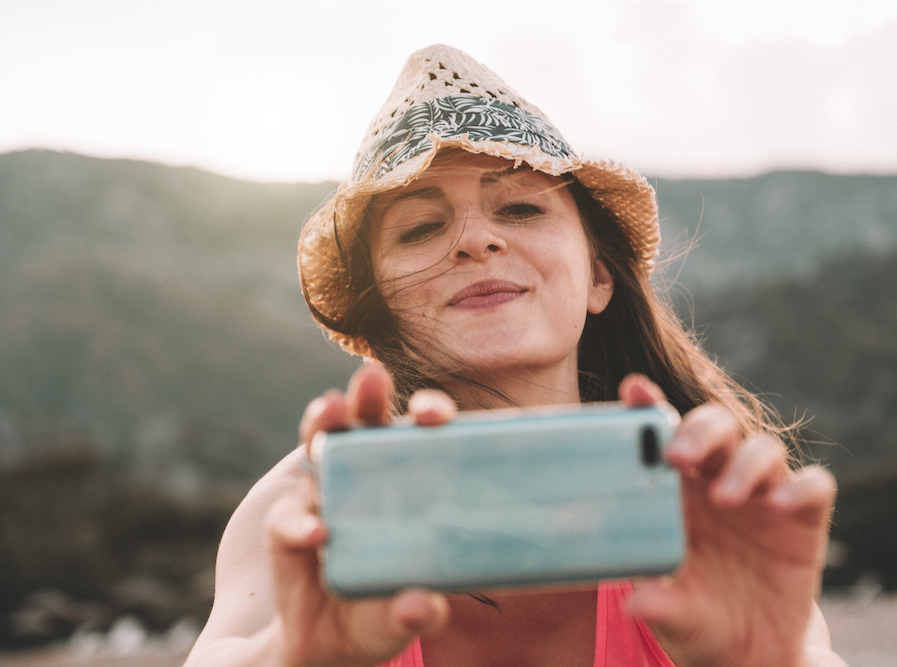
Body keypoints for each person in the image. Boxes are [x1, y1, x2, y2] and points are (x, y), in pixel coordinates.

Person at [184, 44, 846, 667]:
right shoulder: (309, 510)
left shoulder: (706, 498)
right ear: (379, 303)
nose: (476, 239)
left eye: (523, 208)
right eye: (421, 227)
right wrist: (290, 655)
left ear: (598, 276)